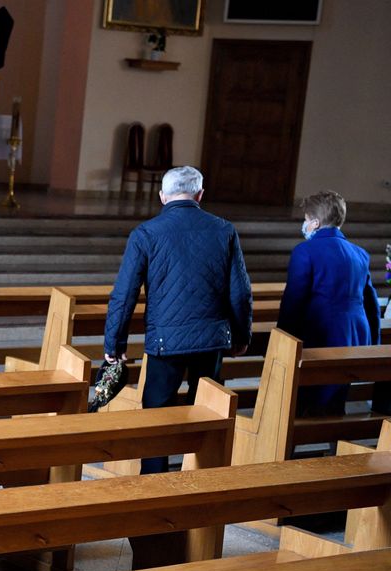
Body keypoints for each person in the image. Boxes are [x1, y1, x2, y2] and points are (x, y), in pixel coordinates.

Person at [103, 165, 252, 474]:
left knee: (157, 413)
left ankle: (156, 483)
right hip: (211, 339)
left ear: (162, 197)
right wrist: (241, 336)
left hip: (164, 340)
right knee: (207, 410)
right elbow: (240, 292)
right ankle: (201, 479)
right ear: (200, 195)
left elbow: (124, 294)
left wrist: (114, 344)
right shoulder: (224, 229)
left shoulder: (146, 233)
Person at [277, 190, 381, 414]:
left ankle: (298, 440)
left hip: (320, 333)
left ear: (314, 222)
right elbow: (370, 301)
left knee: (304, 399)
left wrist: (282, 339)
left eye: (306, 219)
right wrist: (374, 341)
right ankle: (334, 438)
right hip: (353, 334)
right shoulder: (360, 253)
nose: (304, 224)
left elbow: (294, 300)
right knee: (336, 396)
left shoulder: (306, 251)